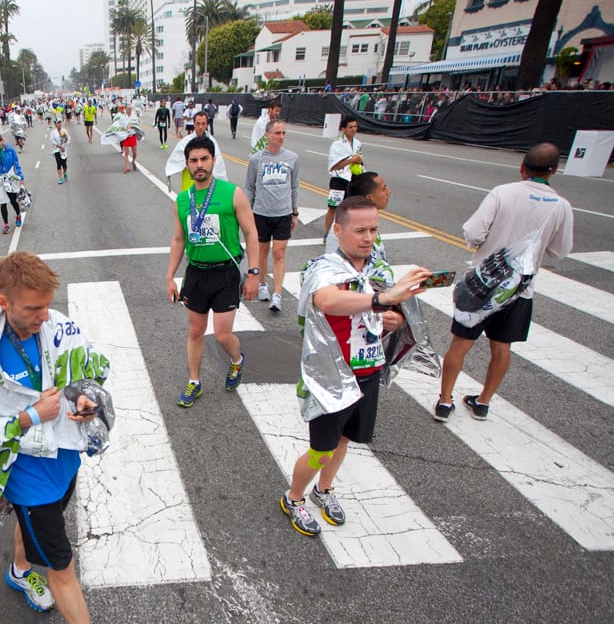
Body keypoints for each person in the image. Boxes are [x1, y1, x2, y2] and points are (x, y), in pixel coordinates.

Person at [0, 251, 127, 624]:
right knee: (63, 567)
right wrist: (30, 416)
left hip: (65, 459)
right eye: (32, 308)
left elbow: (91, 368)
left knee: (28, 526)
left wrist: (85, 397)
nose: (43, 315)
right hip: (28, 474)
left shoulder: (56, 324)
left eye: (47, 304)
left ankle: (18, 568)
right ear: (3, 302)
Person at [282, 196, 430, 536]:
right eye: (360, 230)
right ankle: (293, 498)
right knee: (321, 450)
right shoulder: (324, 268)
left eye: (374, 230)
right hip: (331, 377)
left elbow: (376, 313)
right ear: (338, 229)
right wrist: (382, 300)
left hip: (368, 371)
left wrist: (390, 317)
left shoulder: (376, 271)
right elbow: (327, 300)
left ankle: (324, 490)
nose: (368, 237)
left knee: (346, 440)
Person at [434, 143, 574, 422]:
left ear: (522, 167)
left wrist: (486, 246)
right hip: (519, 289)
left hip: (482, 285)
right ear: (554, 170)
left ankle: (445, 401)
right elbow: (560, 251)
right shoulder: (561, 206)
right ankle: (483, 402)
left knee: (460, 344)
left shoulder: (502, 193)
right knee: (501, 346)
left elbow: (473, 232)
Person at [165, 136, 261, 408]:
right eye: (193, 160)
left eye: (204, 159)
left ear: (213, 160)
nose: (199, 165)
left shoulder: (232, 193)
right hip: (196, 273)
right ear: (186, 165)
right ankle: (194, 382)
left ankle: (236, 360)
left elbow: (251, 232)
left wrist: (254, 273)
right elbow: (178, 240)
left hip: (225, 272)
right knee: (195, 331)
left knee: (221, 334)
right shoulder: (183, 200)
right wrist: (170, 276)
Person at [244, 119, 299, 313]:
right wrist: (248, 212)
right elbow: (249, 187)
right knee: (262, 251)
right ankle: (261, 284)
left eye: (284, 133)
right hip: (261, 212)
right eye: (277, 133)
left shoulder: (292, 158)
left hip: (283, 213)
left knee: (279, 252)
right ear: (267, 135)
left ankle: (277, 294)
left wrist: (294, 212)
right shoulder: (256, 159)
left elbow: (294, 186)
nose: (281, 137)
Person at [325, 170, 391, 261]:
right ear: (369, 198)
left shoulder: (363, 222)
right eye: (384, 189)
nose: (388, 192)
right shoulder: (348, 228)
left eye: (372, 230)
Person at [165, 111, 226, 192]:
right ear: (194, 124)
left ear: (207, 124)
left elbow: (218, 165)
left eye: (203, 124)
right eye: (198, 123)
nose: (200, 127)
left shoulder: (212, 142)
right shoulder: (185, 142)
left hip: (207, 183)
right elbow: (175, 159)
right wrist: (169, 173)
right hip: (190, 183)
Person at [324, 116, 363, 240]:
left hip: (353, 179)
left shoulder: (358, 144)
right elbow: (334, 166)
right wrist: (351, 160)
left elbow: (359, 160)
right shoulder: (337, 145)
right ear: (343, 129)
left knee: (350, 209)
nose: (353, 129)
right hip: (339, 180)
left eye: (355, 127)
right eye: (350, 127)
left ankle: (347, 234)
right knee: (333, 208)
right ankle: (326, 233)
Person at [0, 133, 25, 234]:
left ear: (2, 140)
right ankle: (6, 224)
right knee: (2, 202)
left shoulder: (9, 149)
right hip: (0, 176)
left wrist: (20, 176)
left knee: (13, 199)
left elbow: (16, 163)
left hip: (10, 175)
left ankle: (18, 215)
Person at [118, 105, 141, 174]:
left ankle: (133, 161)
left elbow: (138, 124)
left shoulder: (134, 116)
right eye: (128, 109)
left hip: (132, 136)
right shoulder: (123, 116)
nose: (129, 110)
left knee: (134, 152)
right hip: (126, 136)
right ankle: (127, 167)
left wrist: (133, 126)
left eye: (130, 109)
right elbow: (120, 126)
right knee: (126, 152)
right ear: (126, 109)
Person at [50, 119, 69, 184]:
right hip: (56, 149)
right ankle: (60, 178)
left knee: (64, 164)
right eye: (58, 123)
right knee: (58, 164)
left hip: (63, 150)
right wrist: (58, 146)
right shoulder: (53, 132)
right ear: (55, 124)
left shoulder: (64, 131)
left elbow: (68, 139)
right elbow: (52, 140)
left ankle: (65, 173)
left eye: (60, 123)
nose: (59, 124)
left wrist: (65, 141)